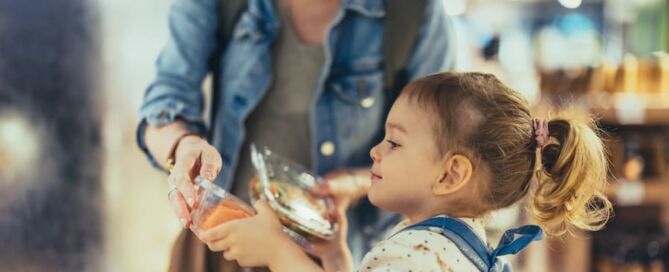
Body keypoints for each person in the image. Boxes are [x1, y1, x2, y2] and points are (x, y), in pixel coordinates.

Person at [137, 0, 455, 270]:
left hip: (327, 256)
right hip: (218, 244)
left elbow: (435, 154)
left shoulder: (415, 14)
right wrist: (183, 145)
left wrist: (358, 183)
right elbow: (168, 94)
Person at [195, 72, 613, 271]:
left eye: (394, 142)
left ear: (451, 175)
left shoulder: (421, 255)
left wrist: (276, 251)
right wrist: (337, 255)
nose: (376, 151)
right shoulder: (451, 248)